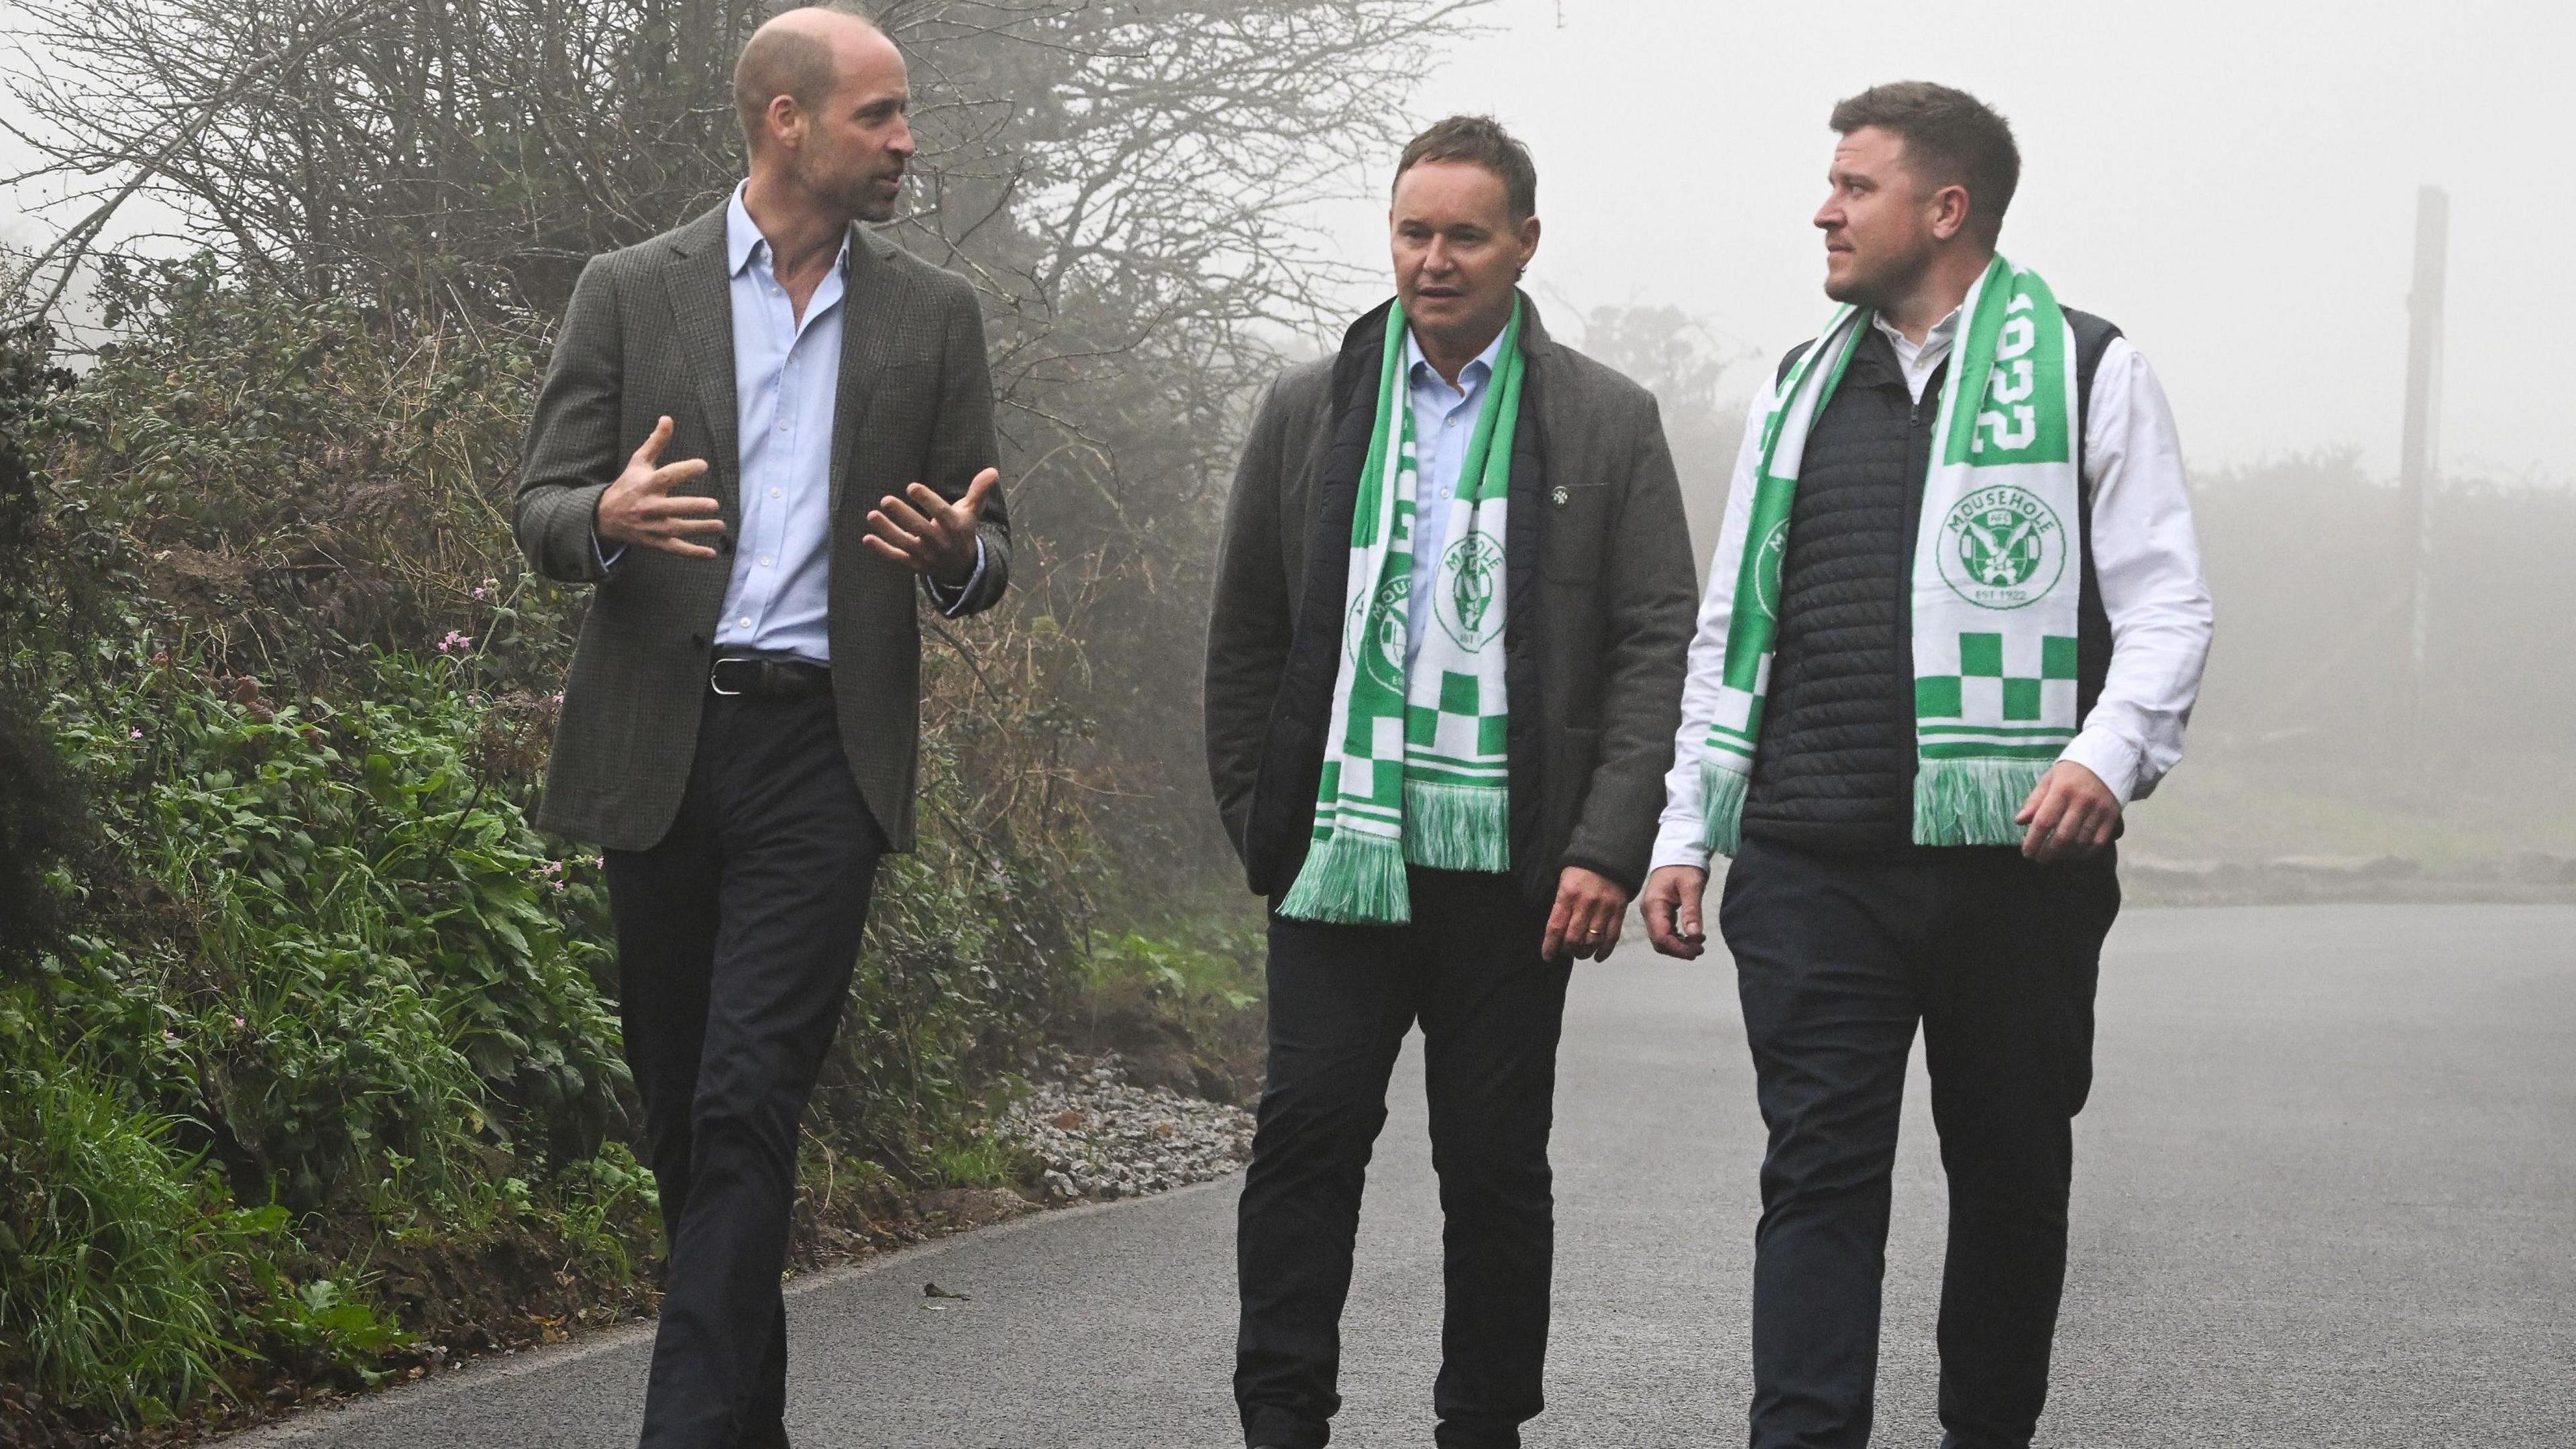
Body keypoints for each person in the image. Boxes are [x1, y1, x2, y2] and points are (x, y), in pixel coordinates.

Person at [1640, 82, 2212, 1448]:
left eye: (1856, 186)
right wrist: (1683, 829)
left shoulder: (2089, 368)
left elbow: (2166, 602)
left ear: (1945, 209)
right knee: (1819, 1182)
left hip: (2019, 867)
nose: (1824, 209)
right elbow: (1733, 625)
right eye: (1830, 184)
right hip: (1810, 861)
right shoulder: (1797, 389)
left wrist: (2105, 754)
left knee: (2011, 1182)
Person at [511, 7, 1009, 1445]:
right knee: (687, 1120)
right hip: (663, 743)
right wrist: (601, 521)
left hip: (822, 759)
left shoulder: (934, 313)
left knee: (746, 1099)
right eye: (879, 116)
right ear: (784, 121)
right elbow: (542, 505)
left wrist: (955, 559)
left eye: (906, 115)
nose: (908, 142)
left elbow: (989, 550)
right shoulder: (628, 289)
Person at [1203, 114, 1699, 1449]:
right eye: (1413, 232)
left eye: (1464, 235)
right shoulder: (1310, 407)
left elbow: (1658, 643)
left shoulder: (1607, 419)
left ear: (1524, 244)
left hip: (1513, 869)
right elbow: (1250, 625)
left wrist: (1605, 843)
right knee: (1305, 1137)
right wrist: (1264, 814)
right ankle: (1279, 1418)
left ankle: (1484, 1424)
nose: (1434, 260)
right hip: (1336, 856)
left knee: (1489, 1167)